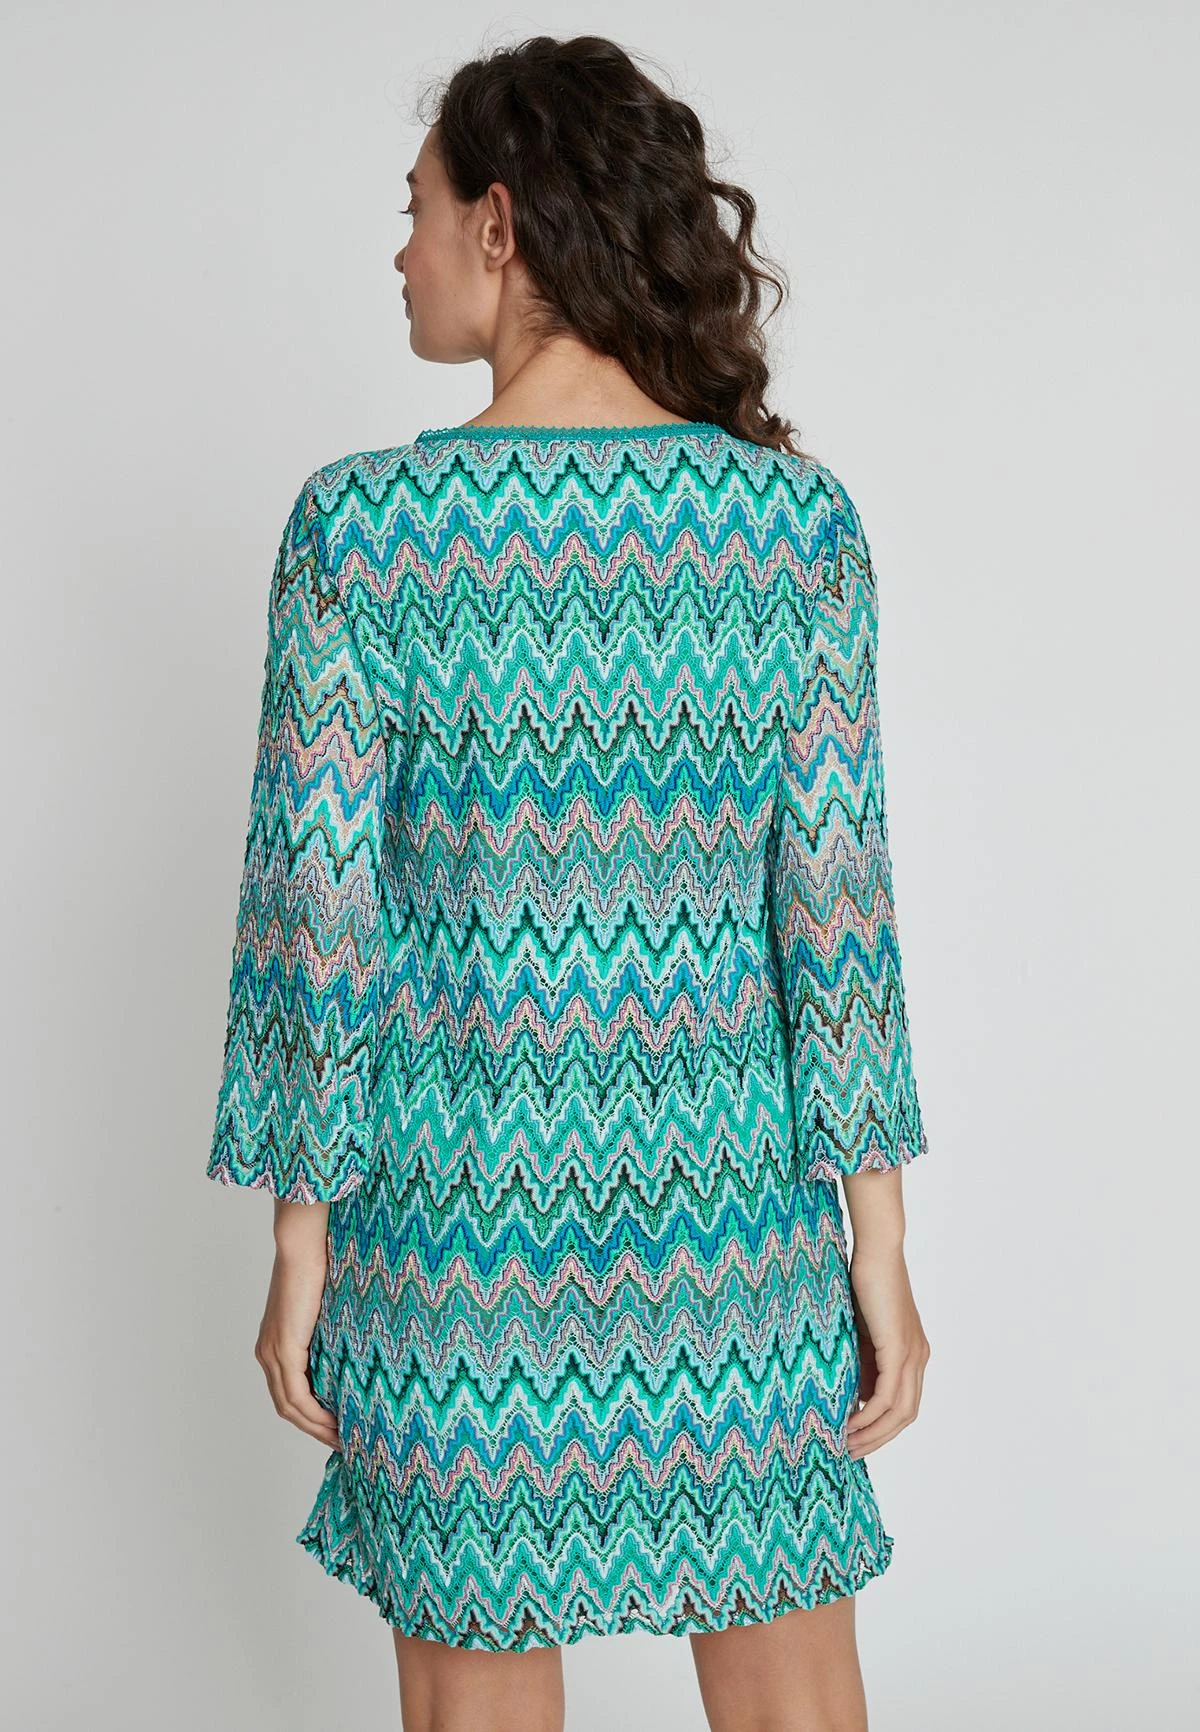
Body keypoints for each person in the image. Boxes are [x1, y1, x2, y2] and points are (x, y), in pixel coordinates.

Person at [206, 32, 932, 1732]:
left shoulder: (363, 533)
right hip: (736, 1238)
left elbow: (316, 924)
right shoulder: (794, 530)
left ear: (501, 223)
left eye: (415, 208)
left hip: (449, 1242)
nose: (399, 249)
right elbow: (836, 915)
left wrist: (300, 1235)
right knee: (798, 1705)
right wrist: (878, 1242)